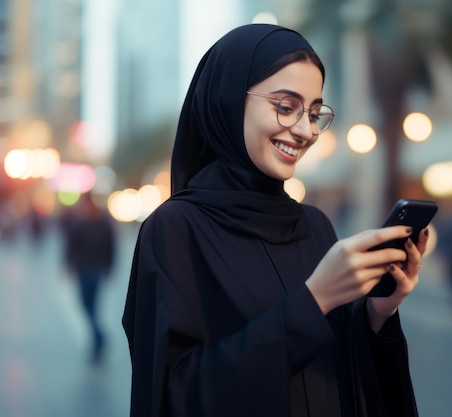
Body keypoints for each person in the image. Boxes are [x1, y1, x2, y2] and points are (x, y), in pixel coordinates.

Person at [122, 23, 430, 417]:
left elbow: (339, 370)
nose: (305, 131)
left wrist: (377, 313)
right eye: (286, 107)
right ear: (230, 102)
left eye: (315, 113)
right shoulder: (176, 229)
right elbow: (173, 395)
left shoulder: (316, 226)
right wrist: (315, 299)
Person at [64, 191, 116, 364]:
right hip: (82, 269)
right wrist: (68, 264)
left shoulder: (104, 224)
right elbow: (71, 245)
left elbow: (111, 247)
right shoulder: (79, 224)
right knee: (86, 305)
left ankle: (98, 340)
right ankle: (99, 336)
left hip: (96, 270)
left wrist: (109, 267)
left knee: (92, 306)